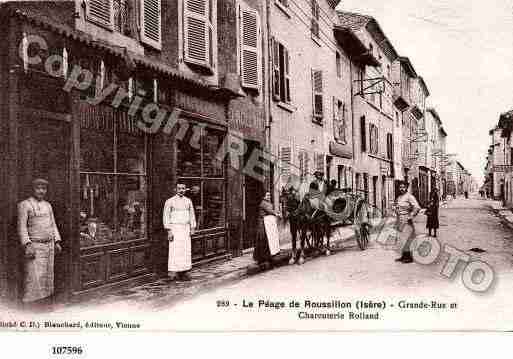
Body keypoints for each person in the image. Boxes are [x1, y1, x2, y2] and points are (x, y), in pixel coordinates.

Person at [18, 178, 62, 310]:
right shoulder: (24, 204)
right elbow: (21, 227)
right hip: (35, 247)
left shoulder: (48, 205)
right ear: (33, 189)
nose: (41, 191)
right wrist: (27, 244)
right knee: (34, 277)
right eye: (38, 188)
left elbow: (52, 224)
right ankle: (31, 306)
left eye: (44, 188)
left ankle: (44, 304)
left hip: (49, 246)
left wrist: (57, 241)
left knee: (47, 276)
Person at [163, 183, 197, 281]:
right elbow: (166, 216)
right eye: (179, 188)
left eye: (183, 188)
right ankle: (173, 272)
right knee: (175, 250)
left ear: (185, 189)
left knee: (185, 250)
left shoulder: (188, 201)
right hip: (175, 229)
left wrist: (192, 228)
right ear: (175, 189)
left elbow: (192, 215)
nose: (181, 190)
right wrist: (169, 230)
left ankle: (185, 271)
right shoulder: (170, 201)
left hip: (185, 229)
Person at [393, 180, 421, 264]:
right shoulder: (399, 197)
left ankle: (409, 257)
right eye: (400, 187)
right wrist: (395, 208)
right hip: (399, 219)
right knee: (401, 238)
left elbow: (417, 207)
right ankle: (403, 256)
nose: (401, 189)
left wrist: (410, 216)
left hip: (406, 220)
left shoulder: (409, 197)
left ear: (406, 188)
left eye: (403, 187)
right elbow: (397, 206)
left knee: (407, 238)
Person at [253, 191, 281, 267]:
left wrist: (276, 212)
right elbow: (269, 211)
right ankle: (262, 258)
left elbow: (271, 211)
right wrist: (276, 213)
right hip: (263, 224)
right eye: (267, 195)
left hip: (268, 224)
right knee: (263, 240)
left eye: (269, 195)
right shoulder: (263, 203)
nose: (269, 197)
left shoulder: (267, 203)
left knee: (267, 240)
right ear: (264, 196)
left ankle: (267, 257)